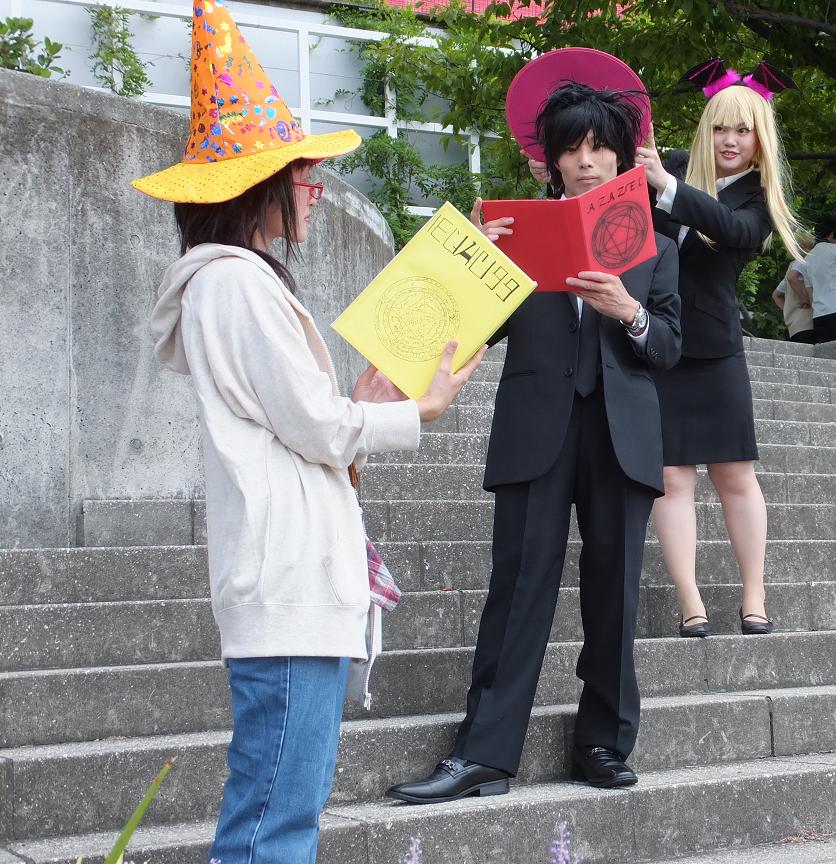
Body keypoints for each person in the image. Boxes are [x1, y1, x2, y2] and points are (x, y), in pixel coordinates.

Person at [133, 2, 482, 859]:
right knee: (273, 821)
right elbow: (317, 428)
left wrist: (360, 407)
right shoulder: (235, 285)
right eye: (304, 176)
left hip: (293, 584)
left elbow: (309, 434)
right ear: (262, 183)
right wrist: (415, 410)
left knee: (281, 808)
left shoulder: (237, 283)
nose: (315, 191)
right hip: (286, 592)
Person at [386, 81, 681, 804]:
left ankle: (604, 744)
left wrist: (629, 311)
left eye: (600, 148)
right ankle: (484, 752)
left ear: (622, 159)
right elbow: (468, 333)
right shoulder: (513, 235)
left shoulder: (658, 245)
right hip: (536, 428)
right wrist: (475, 266)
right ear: (549, 162)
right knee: (517, 590)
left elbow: (672, 346)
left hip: (622, 434)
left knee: (614, 595)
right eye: (572, 150)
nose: (586, 162)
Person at [633, 79, 805, 638]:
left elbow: (728, 229)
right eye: (721, 126)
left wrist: (665, 186)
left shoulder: (757, 200)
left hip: (716, 350)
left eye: (744, 129)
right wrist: (554, 171)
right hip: (660, 342)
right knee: (670, 477)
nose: (730, 139)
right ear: (706, 130)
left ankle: (753, 596)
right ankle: (691, 603)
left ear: (761, 140)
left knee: (735, 475)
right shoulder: (674, 165)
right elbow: (607, 188)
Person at [774, 232, 816, 343]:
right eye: (810, 247)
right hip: (807, 322)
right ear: (804, 247)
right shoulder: (803, 262)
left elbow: (776, 295)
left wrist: (788, 309)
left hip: (793, 325)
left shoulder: (791, 266)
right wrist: (804, 299)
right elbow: (792, 278)